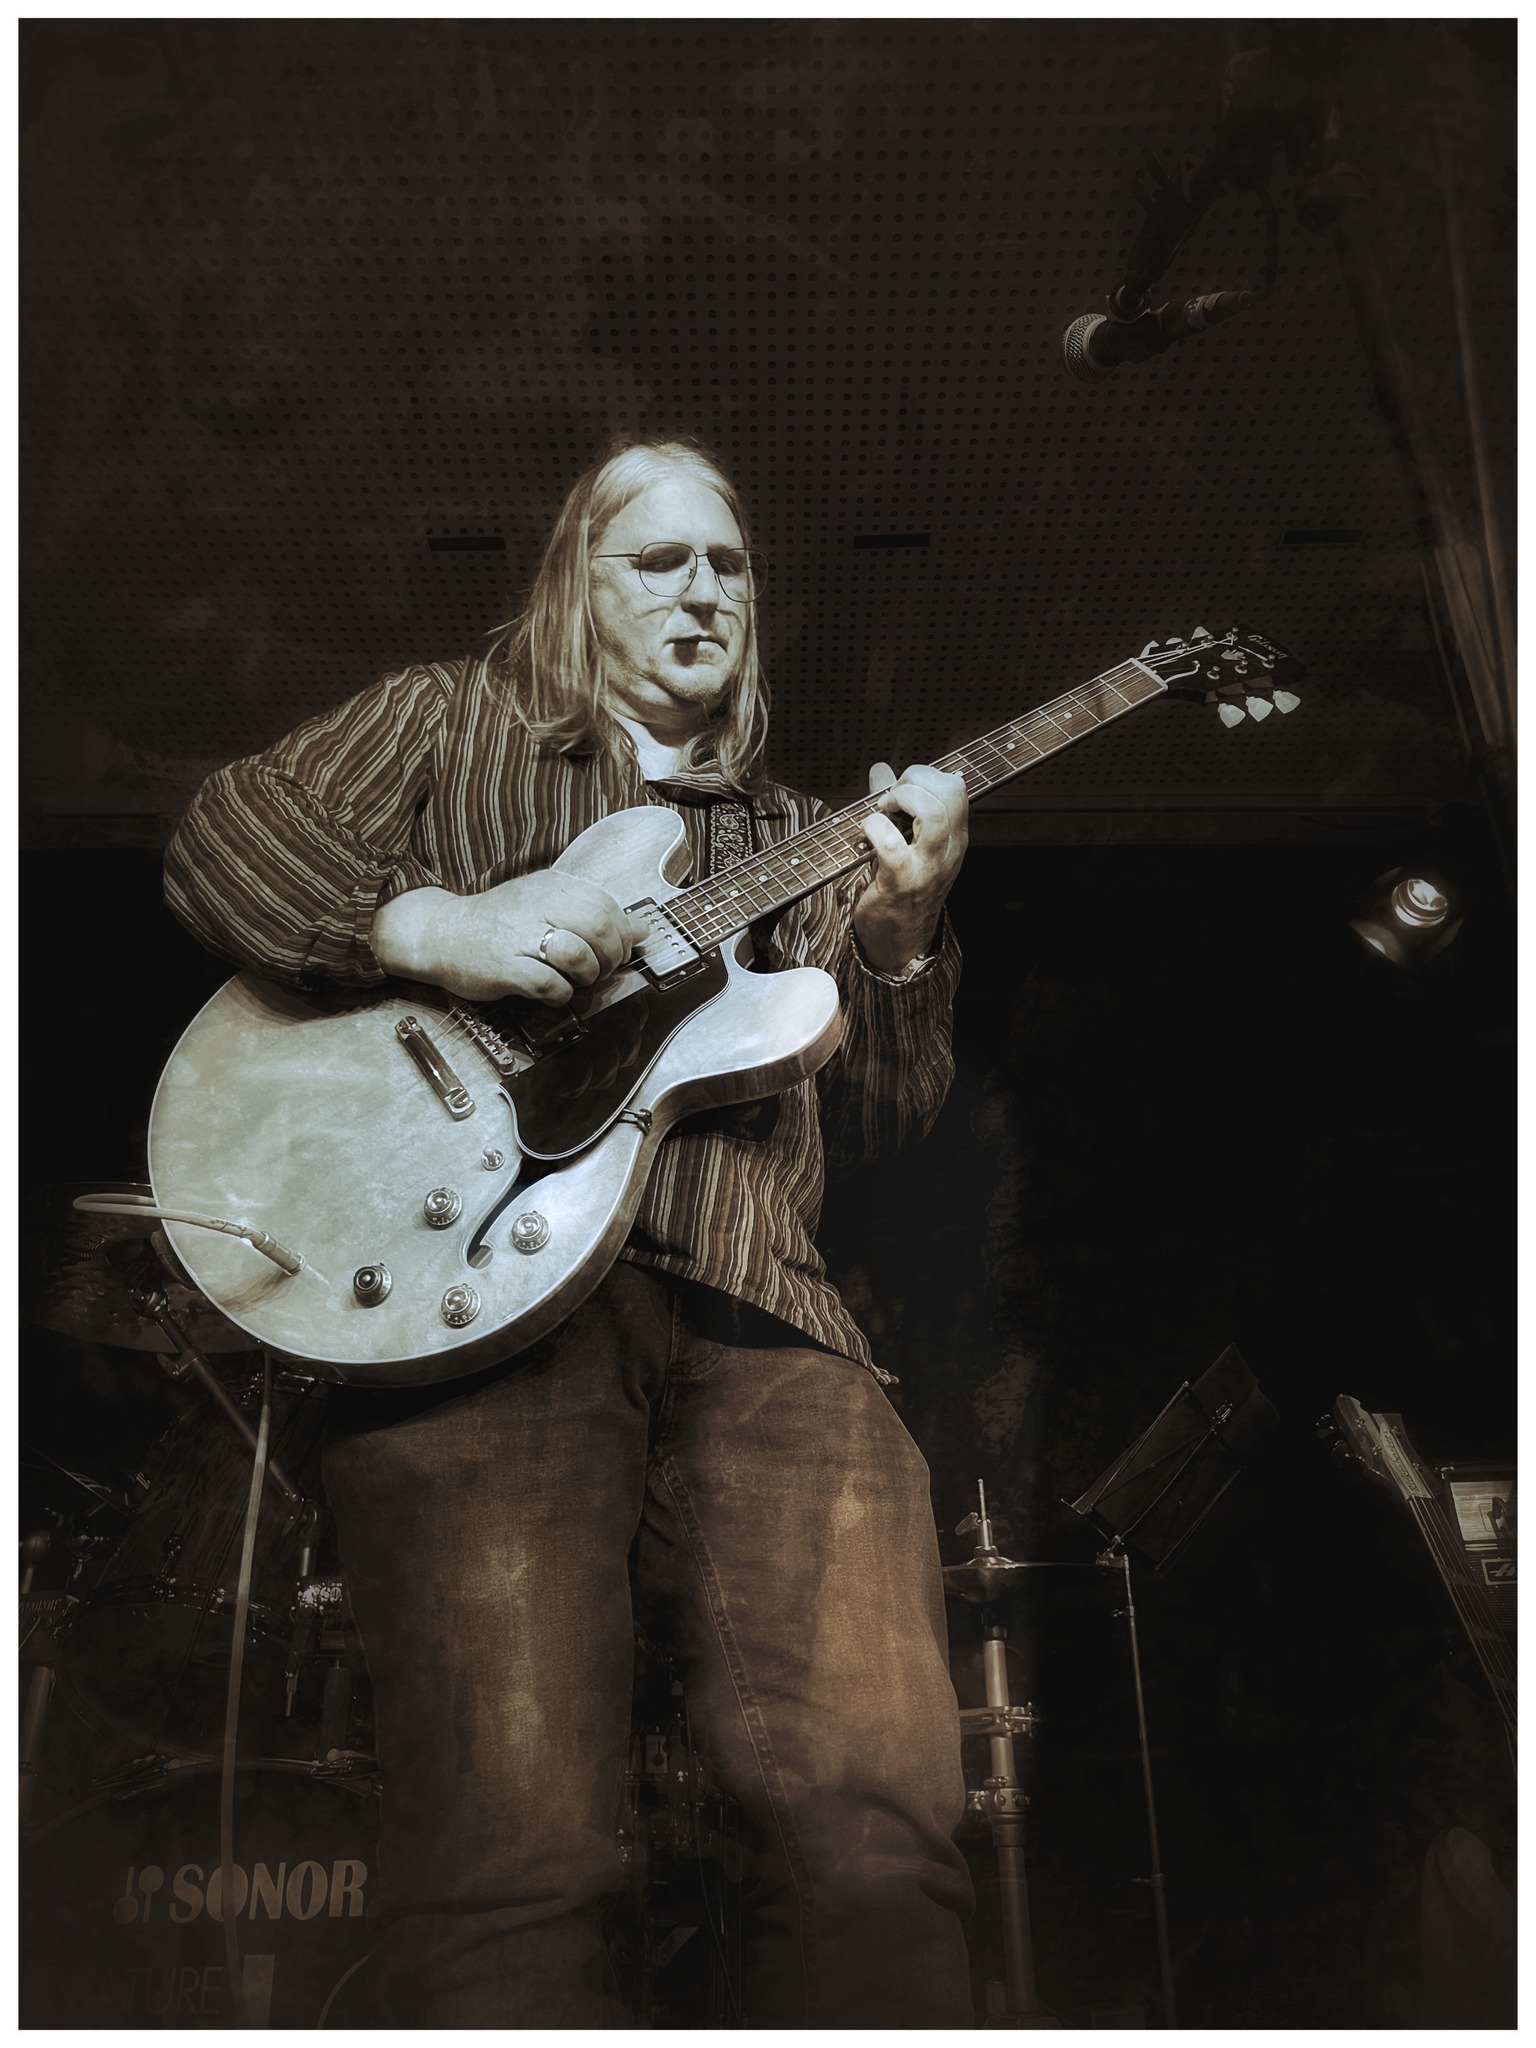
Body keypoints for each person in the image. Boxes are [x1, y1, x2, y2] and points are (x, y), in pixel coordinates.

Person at [163, 436, 975, 2027]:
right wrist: (434, 924)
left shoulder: (806, 838)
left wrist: (901, 938)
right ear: (574, 586)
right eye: (659, 559)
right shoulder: (450, 721)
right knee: (509, 1858)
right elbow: (228, 836)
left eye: (729, 565)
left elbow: (883, 1128)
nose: (703, 590)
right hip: (472, 1314)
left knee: (879, 1844)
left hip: (761, 1314)